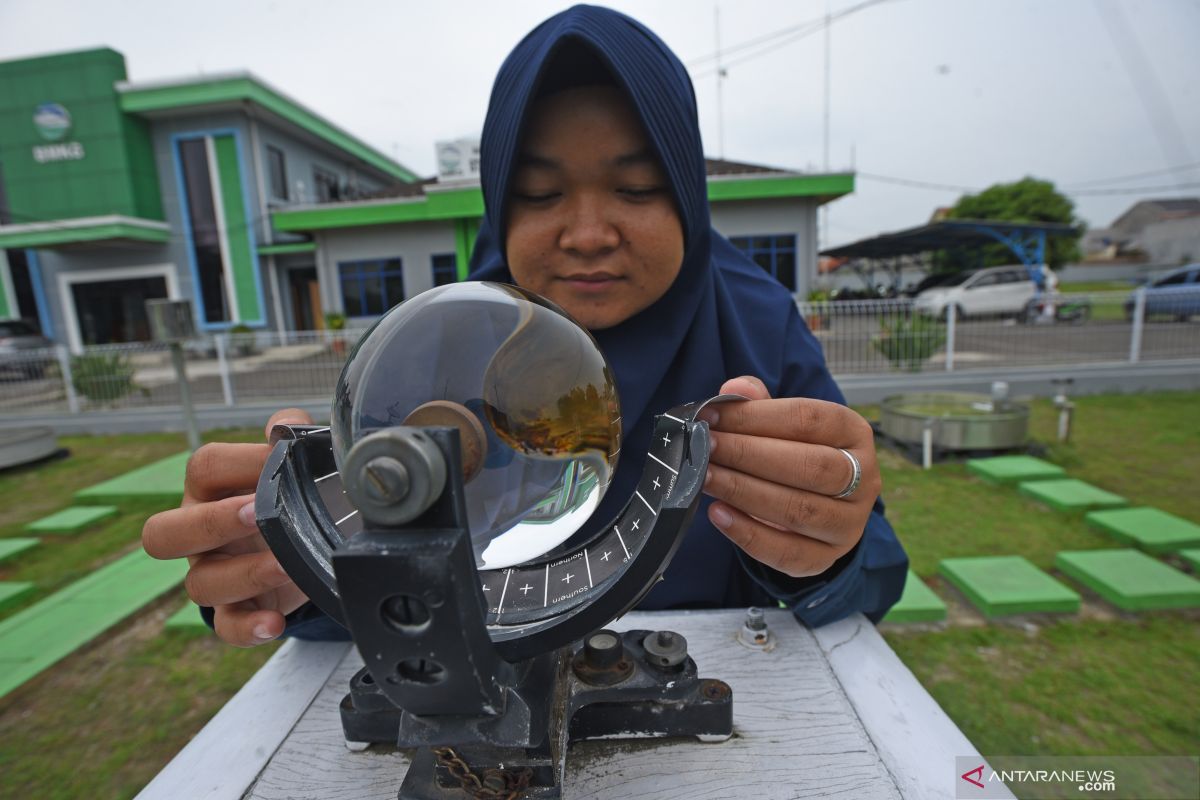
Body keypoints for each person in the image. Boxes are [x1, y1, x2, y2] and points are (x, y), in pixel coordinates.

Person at [142, 4, 907, 648]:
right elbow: (375, 606)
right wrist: (291, 569)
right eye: (538, 195)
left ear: (689, 194)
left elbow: (872, 572)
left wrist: (832, 548)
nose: (586, 233)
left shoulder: (757, 324)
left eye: (638, 187)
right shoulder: (438, 347)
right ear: (497, 207)